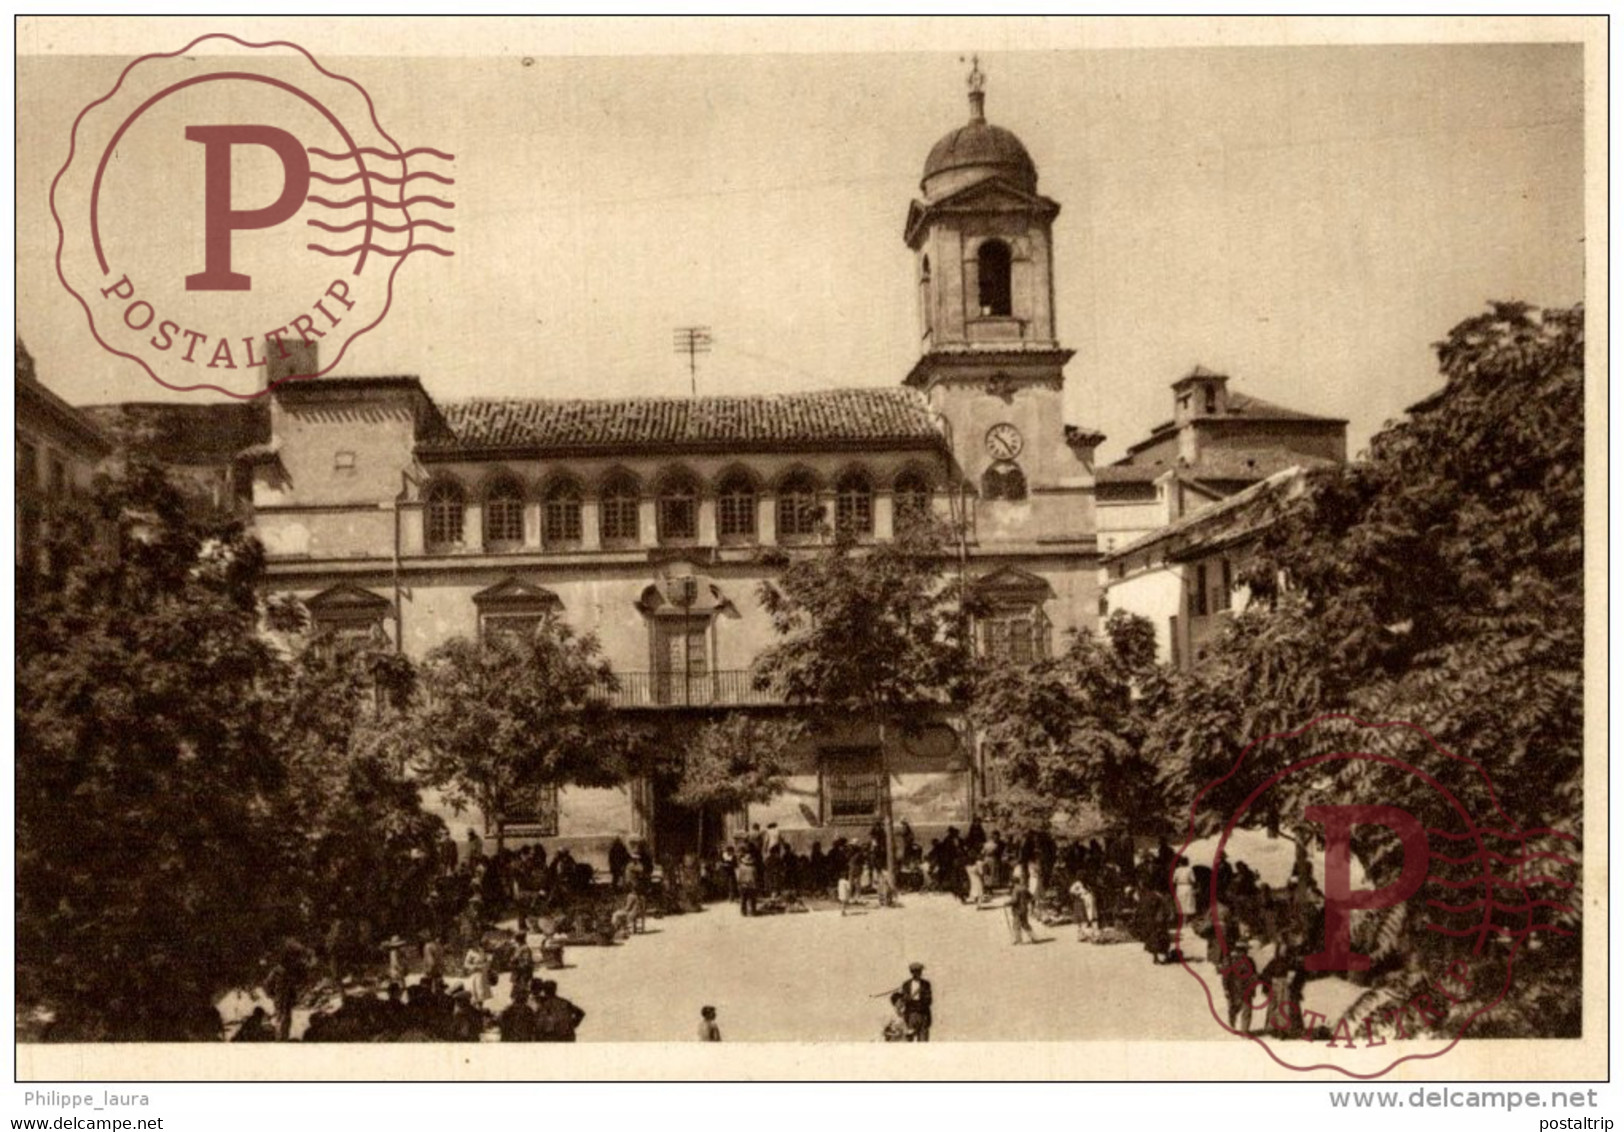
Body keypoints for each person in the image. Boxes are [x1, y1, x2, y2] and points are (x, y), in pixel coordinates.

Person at [899, 962, 932, 1041]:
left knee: (923, 1040)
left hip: (923, 1014)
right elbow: (903, 999)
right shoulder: (906, 984)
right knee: (909, 1040)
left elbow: (929, 1000)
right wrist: (906, 998)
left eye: (919, 971)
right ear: (911, 972)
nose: (918, 973)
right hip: (910, 1014)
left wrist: (919, 1006)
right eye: (915, 971)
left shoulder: (926, 984)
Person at [1008, 879, 1040, 944]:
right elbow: (1032, 897)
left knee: (1016, 924)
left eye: (1010, 883)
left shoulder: (1015, 889)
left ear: (1013, 883)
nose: (1009, 884)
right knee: (1025, 924)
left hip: (1017, 910)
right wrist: (1029, 904)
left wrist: (1007, 903)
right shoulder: (1024, 888)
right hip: (1024, 909)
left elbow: (1014, 900)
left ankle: (1018, 939)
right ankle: (1034, 937)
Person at [736, 852, 759, 917]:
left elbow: (739, 877)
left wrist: (739, 884)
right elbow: (756, 877)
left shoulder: (741, 867)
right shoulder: (753, 868)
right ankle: (753, 911)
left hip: (743, 885)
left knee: (743, 899)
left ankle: (743, 912)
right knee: (752, 899)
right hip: (752, 885)